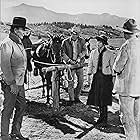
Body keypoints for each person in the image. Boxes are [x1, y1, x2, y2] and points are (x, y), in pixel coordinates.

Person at [0, 17, 29, 140]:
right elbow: (5, 66)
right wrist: (11, 83)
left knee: (22, 106)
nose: (24, 32)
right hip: (10, 83)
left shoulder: (19, 42)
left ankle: (15, 132)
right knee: (8, 109)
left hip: (19, 83)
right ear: (16, 30)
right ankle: (5, 136)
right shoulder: (7, 43)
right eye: (23, 29)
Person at [113, 19, 140, 140]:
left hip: (126, 88)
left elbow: (117, 67)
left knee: (127, 119)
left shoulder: (126, 46)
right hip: (138, 87)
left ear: (127, 33)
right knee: (138, 118)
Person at [87, 35, 115, 128]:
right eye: (97, 41)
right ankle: (100, 117)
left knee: (105, 98)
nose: (97, 43)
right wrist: (88, 75)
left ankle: (105, 119)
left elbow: (112, 68)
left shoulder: (110, 53)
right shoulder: (93, 52)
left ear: (103, 43)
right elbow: (90, 64)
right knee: (97, 98)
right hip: (96, 77)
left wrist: (113, 81)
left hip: (106, 78)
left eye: (99, 42)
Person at [61, 25, 87, 104]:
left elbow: (84, 50)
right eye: (72, 33)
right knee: (71, 82)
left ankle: (77, 97)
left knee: (81, 81)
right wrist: (69, 60)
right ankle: (71, 99)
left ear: (78, 34)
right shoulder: (65, 42)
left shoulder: (82, 41)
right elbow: (62, 53)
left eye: (76, 33)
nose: (73, 35)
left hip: (79, 64)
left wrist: (80, 57)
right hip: (70, 65)